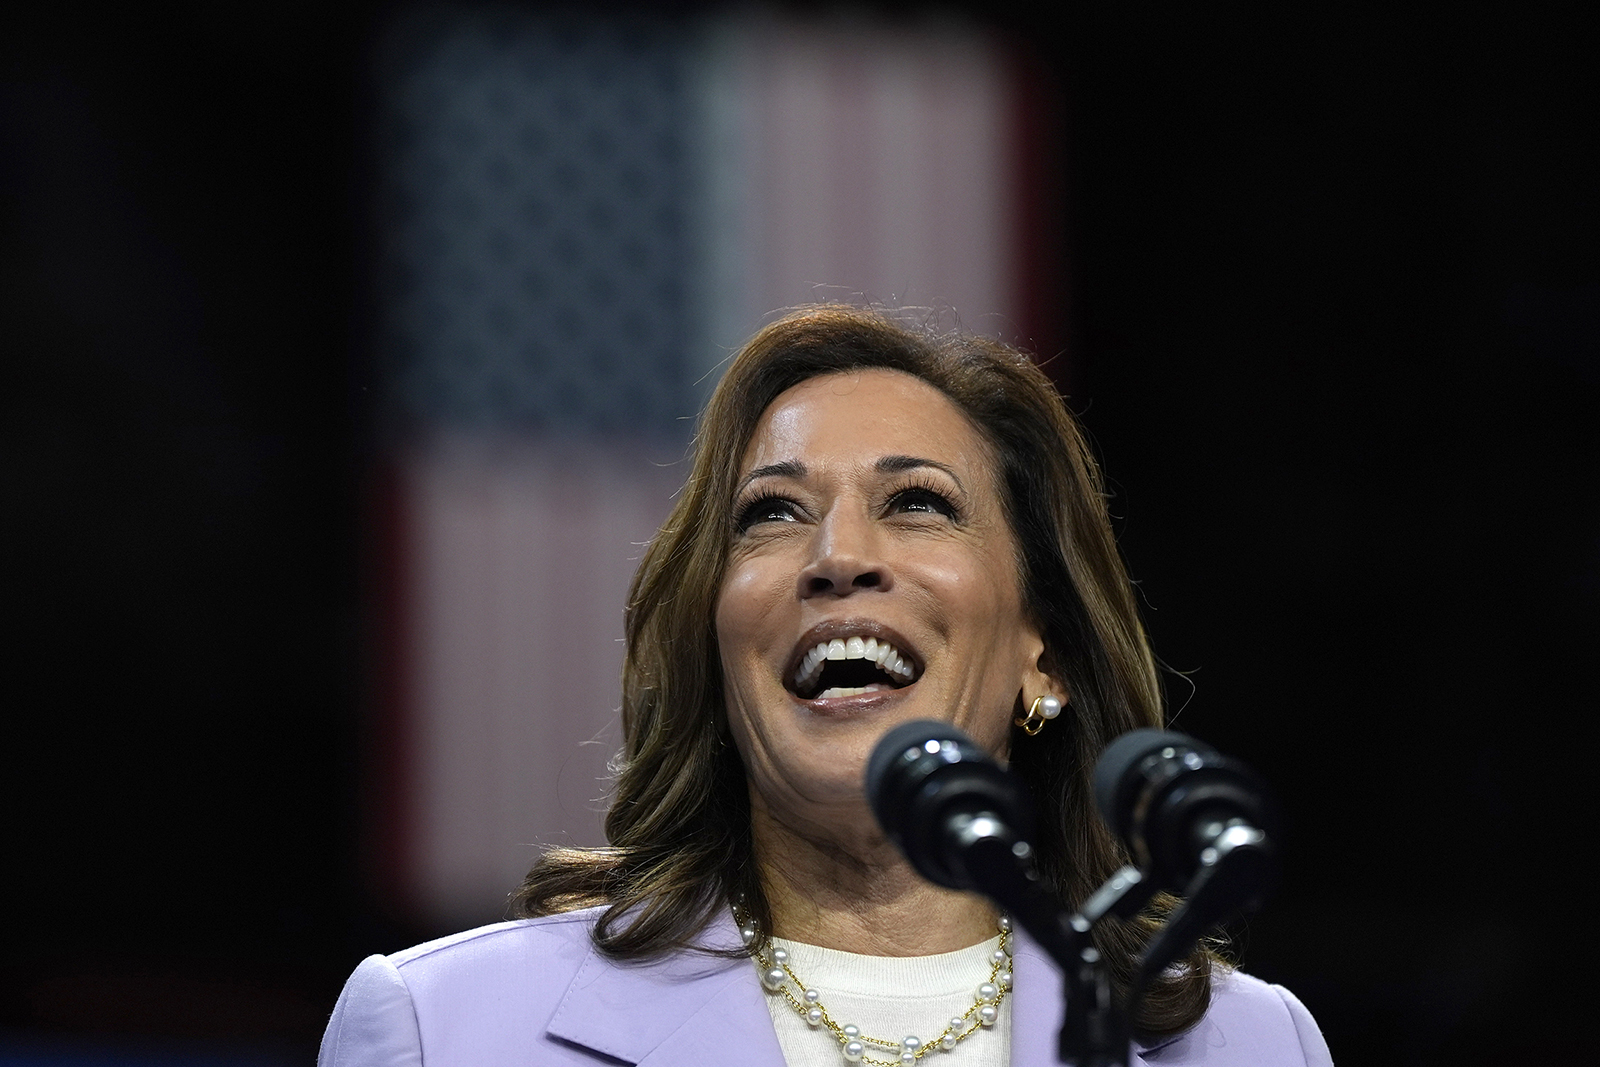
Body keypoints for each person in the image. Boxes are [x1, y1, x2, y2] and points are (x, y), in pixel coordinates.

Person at [320, 306, 1333, 1066]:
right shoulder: (443, 1028)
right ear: (715, 648)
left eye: (918, 503)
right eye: (770, 514)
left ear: (1046, 653)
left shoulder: (1248, 1044)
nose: (838, 554)